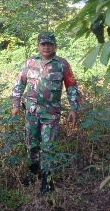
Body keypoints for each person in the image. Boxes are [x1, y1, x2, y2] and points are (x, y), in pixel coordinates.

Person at [11, 32, 80, 194]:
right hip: (31, 113)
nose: (46, 47)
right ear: (38, 46)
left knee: (49, 146)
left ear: (55, 45)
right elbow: (19, 84)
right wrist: (15, 104)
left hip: (51, 114)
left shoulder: (62, 64)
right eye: (43, 44)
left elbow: (71, 87)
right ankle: (33, 174)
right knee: (31, 144)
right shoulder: (29, 63)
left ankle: (47, 180)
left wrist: (73, 108)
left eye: (49, 44)